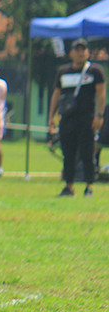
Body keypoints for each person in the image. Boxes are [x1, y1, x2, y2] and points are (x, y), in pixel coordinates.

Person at [48, 38, 105, 197]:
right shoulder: (63, 71)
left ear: (87, 52)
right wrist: (51, 116)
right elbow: (56, 94)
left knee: (87, 152)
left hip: (87, 118)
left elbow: (101, 93)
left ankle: (89, 186)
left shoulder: (95, 70)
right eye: (77, 50)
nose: (81, 53)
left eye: (84, 49)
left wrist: (100, 115)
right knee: (68, 153)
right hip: (67, 119)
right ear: (71, 53)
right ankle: (69, 186)